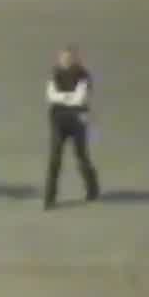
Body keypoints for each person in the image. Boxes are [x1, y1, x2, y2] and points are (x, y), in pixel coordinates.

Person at [43, 47, 100, 208]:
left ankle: (92, 188)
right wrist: (68, 97)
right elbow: (50, 96)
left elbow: (79, 99)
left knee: (81, 157)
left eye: (69, 58)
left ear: (75, 60)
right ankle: (49, 197)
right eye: (63, 58)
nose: (66, 61)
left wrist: (62, 97)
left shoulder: (84, 75)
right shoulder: (54, 74)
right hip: (58, 121)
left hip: (78, 121)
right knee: (54, 159)